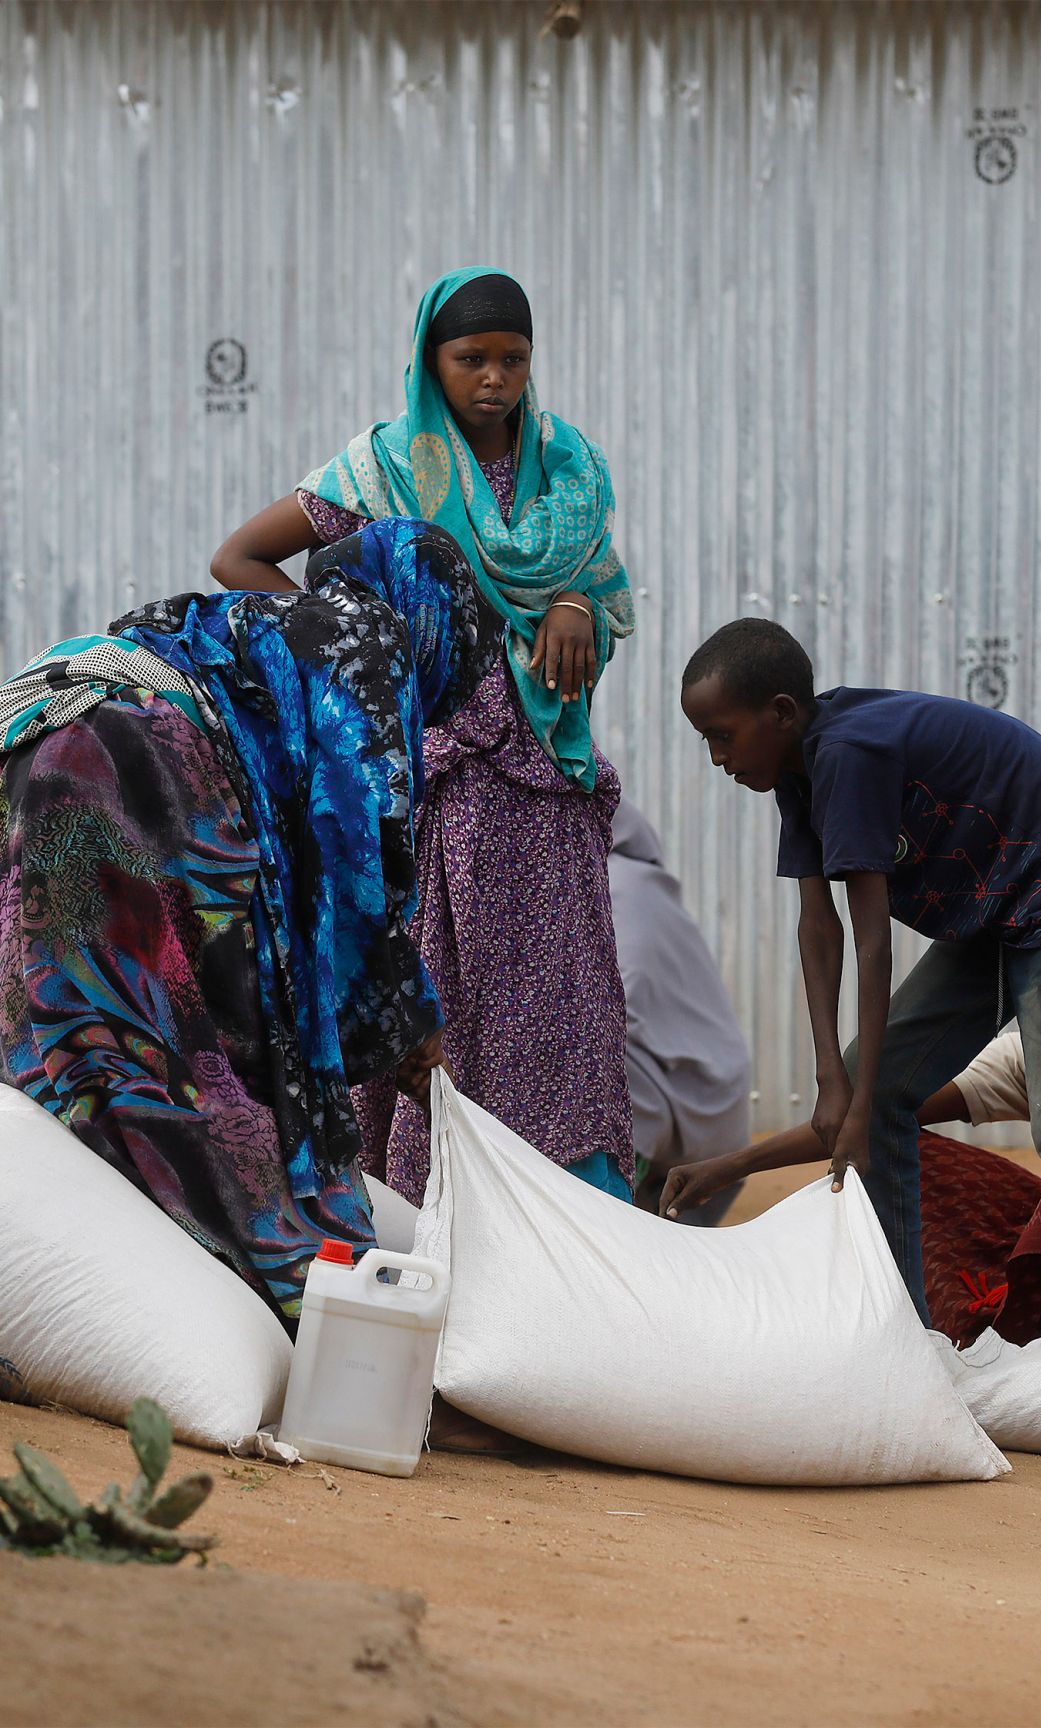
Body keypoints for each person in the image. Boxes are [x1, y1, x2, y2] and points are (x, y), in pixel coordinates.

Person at [680, 620, 1041, 1489]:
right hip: (994, 907)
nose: (714, 755)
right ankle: (910, 1358)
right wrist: (836, 1080)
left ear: (781, 713)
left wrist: (856, 1105)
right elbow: (816, 928)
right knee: (877, 1085)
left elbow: (871, 938)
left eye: (720, 735)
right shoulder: (797, 775)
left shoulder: (848, 753)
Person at [210, 268, 637, 1204]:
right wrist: (361, 653)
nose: (493, 377)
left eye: (511, 359)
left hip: (545, 782)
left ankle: (575, 1220)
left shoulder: (572, 471)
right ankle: (423, 1211)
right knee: (437, 1002)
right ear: (429, 361)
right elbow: (238, 558)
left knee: (561, 1012)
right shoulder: (385, 464)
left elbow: (604, 591)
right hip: (436, 785)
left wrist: (570, 600)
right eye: (470, 358)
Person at [0, 518, 488, 1317]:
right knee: (198, 1050)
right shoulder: (374, 635)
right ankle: (263, 1282)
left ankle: (74, 1282)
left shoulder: (272, 622)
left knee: (76, 1030)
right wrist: (408, 1015)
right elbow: (357, 848)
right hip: (128, 755)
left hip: (33, 738)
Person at [661, 872, 1041, 1343]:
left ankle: (1036, 1327)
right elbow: (872, 1112)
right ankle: (940, 1331)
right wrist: (731, 1166)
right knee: (905, 1151)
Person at [609, 800, 752, 1222]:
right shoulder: (644, 884)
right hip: (711, 1112)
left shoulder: (616, 884)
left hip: (683, 1128)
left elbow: (621, 1003)